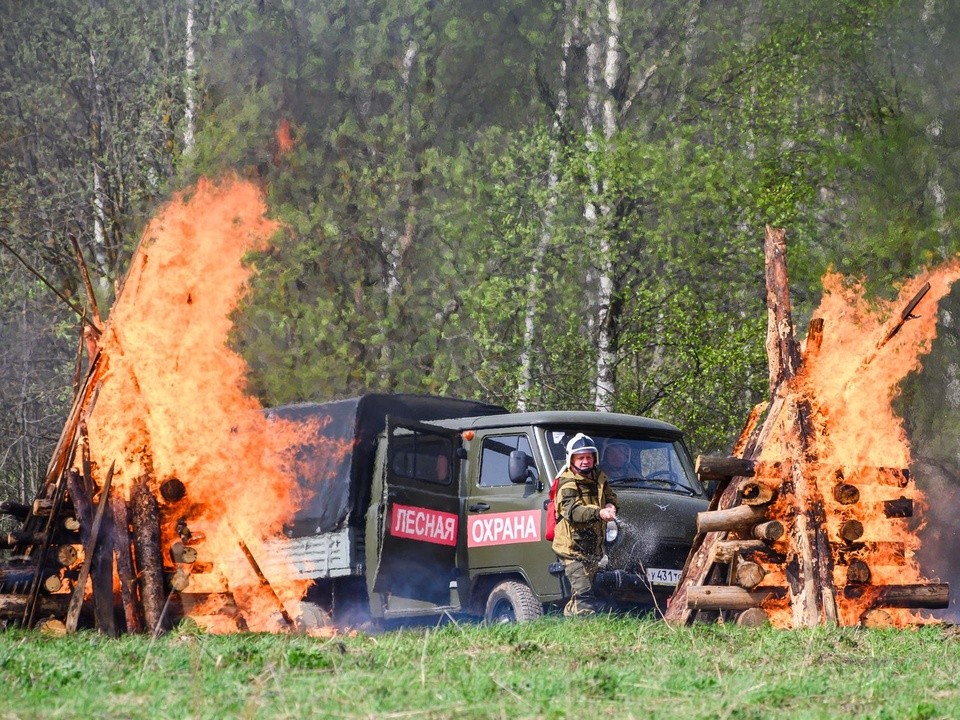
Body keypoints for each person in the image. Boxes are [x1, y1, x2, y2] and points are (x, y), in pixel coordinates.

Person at [551, 433, 618, 617]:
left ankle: (569, 616)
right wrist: (599, 512)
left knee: (584, 590)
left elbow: (610, 497)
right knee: (584, 593)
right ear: (571, 459)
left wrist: (611, 505)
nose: (585, 461)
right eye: (580, 457)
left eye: (589, 457)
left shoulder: (599, 477)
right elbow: (573, 512)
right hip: (571, 548)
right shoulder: (567, 482)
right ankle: (587, 632)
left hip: (592, 547)